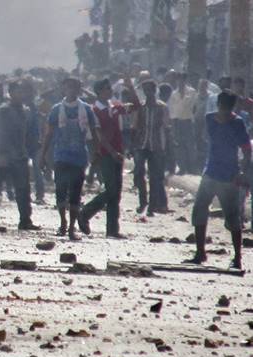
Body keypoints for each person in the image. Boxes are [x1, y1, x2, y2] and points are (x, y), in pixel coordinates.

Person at [185, 91, 251, 270]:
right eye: (222, 107)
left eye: (226, 108)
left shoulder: (237, 123)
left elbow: (246, 150)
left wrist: (242, 172)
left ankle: (237, 257)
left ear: (230, 108)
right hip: (210, 172)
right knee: (199, 210)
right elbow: (203, 136)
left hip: (229, 176)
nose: (223, 111)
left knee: (232, 218)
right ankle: (200, 253)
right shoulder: (209, 119)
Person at [39, 77, 100, 241]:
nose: (71, 90)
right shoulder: (56, 109)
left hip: (79, 157)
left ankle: (72, 227)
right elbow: (49, 133)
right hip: (60, 156)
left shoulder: (86, 109)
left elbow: (94, 133)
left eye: (74, 88)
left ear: (78, 90)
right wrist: (43, 154)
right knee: (60, 190)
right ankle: (63, 222)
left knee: (75, 193)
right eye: (68, 87)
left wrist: (96, 152)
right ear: (64, 89)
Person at [78, 77, 137, 239]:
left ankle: (112, 229)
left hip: (117, 152)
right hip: (105, 154)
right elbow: (100, 135)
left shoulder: (115, 107)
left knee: (115, 192)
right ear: (99, 92)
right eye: (106, 88)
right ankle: (85, 212)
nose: (109, 91)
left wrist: (131, 87)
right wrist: (112, 152)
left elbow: (136, 106)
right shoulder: (94, 110)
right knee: (111, 190)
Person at [0, 80, 40, 230]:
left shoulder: (25, 110)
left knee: (23, 189)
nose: (21, 94)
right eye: (18, 91)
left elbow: (27, 134)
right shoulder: (4, 110)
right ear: (11, 93)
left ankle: (25, 220)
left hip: (20, 155)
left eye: (22, 91)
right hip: (4, 154)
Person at [133, 80, 170, 215]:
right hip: (141, 144)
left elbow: (167, 127)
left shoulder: (162, 107)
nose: (147, 93)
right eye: (145, 90)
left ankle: (152, 206)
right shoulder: (141, 107)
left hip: (157, 145)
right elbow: (135, 126)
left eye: (149, 90)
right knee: (138, 173)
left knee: (154, 177)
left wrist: (167, 147)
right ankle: (143, 201)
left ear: (154, 91)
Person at [168, 72, 198, 174]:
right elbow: (172, 110)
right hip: (177, 122)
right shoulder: (173, 94)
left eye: (182, 79)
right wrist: (172, 124)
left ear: (185, 80)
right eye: (178, 79)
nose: (180, 81)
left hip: (188, 121)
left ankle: (192, 167)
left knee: (190, 145)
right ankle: (182, 167)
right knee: (179, 145)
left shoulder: (192, 92)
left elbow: (193, 106)